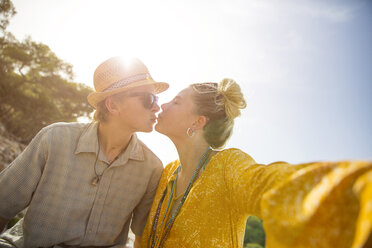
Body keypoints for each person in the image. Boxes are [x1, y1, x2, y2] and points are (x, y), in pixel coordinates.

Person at [139, 79, 372, 248]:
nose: (163, 106)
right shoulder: (166, 172)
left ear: (198, 121)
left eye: (177, 102)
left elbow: (274, 184)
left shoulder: (228, 166)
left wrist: (358, 189)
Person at [0, 56, 169, 248]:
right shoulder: (54, 139)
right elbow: (3, 204)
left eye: (156, 98)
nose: (157, 107)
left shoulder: (151, 168)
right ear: (113, 105)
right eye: (149, 99)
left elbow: (142, 239)